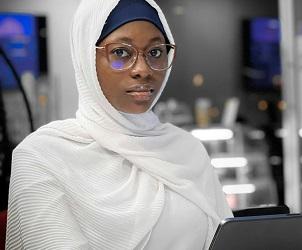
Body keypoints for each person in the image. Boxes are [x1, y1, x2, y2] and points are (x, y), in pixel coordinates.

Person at [5, 0, 233, 249]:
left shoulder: (187, 150)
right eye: (121, 53)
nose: (143, 70)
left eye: (155, 52)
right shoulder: (42, 156)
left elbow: (228, 240)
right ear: (87, 58)